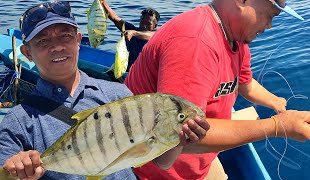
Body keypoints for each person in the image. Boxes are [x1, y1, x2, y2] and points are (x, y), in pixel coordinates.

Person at [0, 1, 209, 179]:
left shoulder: (118, 94)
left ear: (78, 41)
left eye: (65, 36)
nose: (57, 47)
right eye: (43, 41)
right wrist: (15, 170)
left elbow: (161, 162)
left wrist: (180, 139)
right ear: (27, 52)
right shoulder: (18, 123)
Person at [124, 0, 310, 179]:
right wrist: (277, 126)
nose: (269, 25)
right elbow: (176, 137)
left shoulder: (235, 37)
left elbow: (245, 83)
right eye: (270, 16)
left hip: (199, 164)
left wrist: (276, 103)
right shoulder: (195, 43)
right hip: (156, 173)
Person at [100, 0, 160, 70]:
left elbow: (152, 36)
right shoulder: (131, 29)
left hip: (144, 74)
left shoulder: (157, 35)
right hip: (126, 70)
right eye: (142, 22)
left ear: (155, 26)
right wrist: (102, 2)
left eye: (148, 24)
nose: (144, 25)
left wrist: (134, 33)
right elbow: (115, 18)